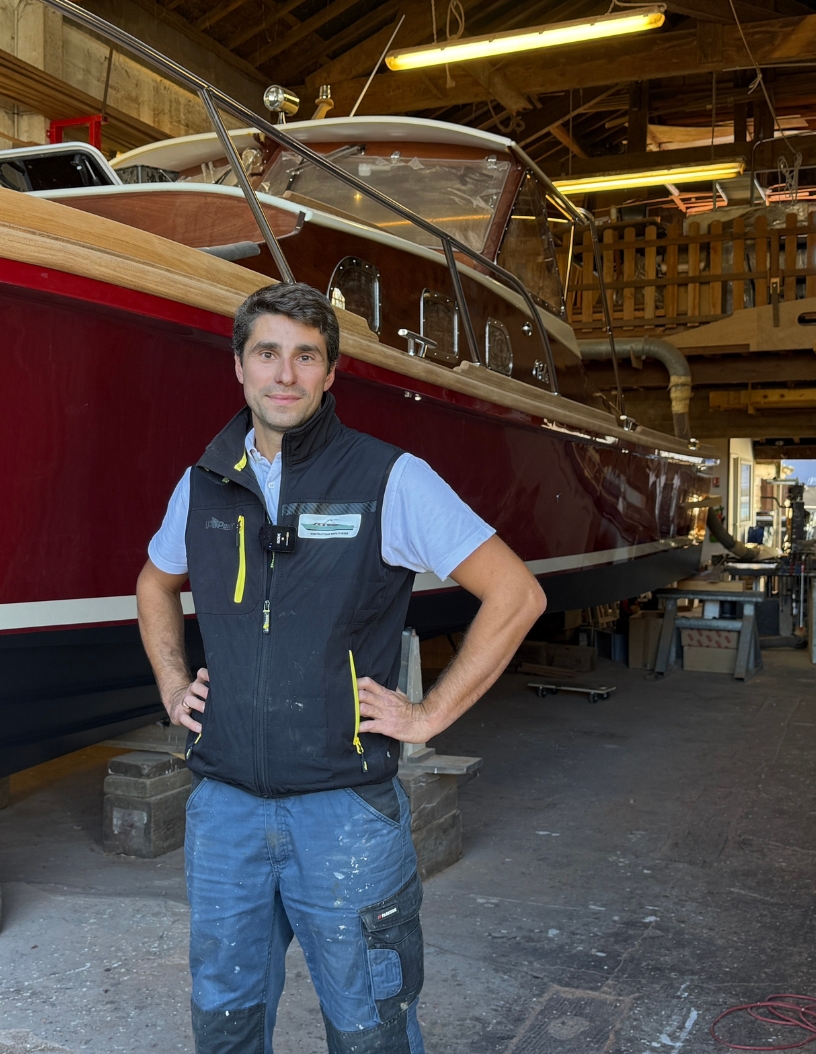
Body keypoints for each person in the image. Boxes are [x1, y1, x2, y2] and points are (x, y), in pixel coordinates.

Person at [134, 282, 546, 1053]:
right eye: (267, 354)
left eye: (305, 356)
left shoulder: (389, 479)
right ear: (239, 368)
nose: (284, 374)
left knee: (371, 1028)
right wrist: (170, 682)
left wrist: (426, 718)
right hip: (225, 808)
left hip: (344, 813)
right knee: (223, 1018)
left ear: (329, 374)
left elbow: (516, 595)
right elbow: (156, 581)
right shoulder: (203, 484)